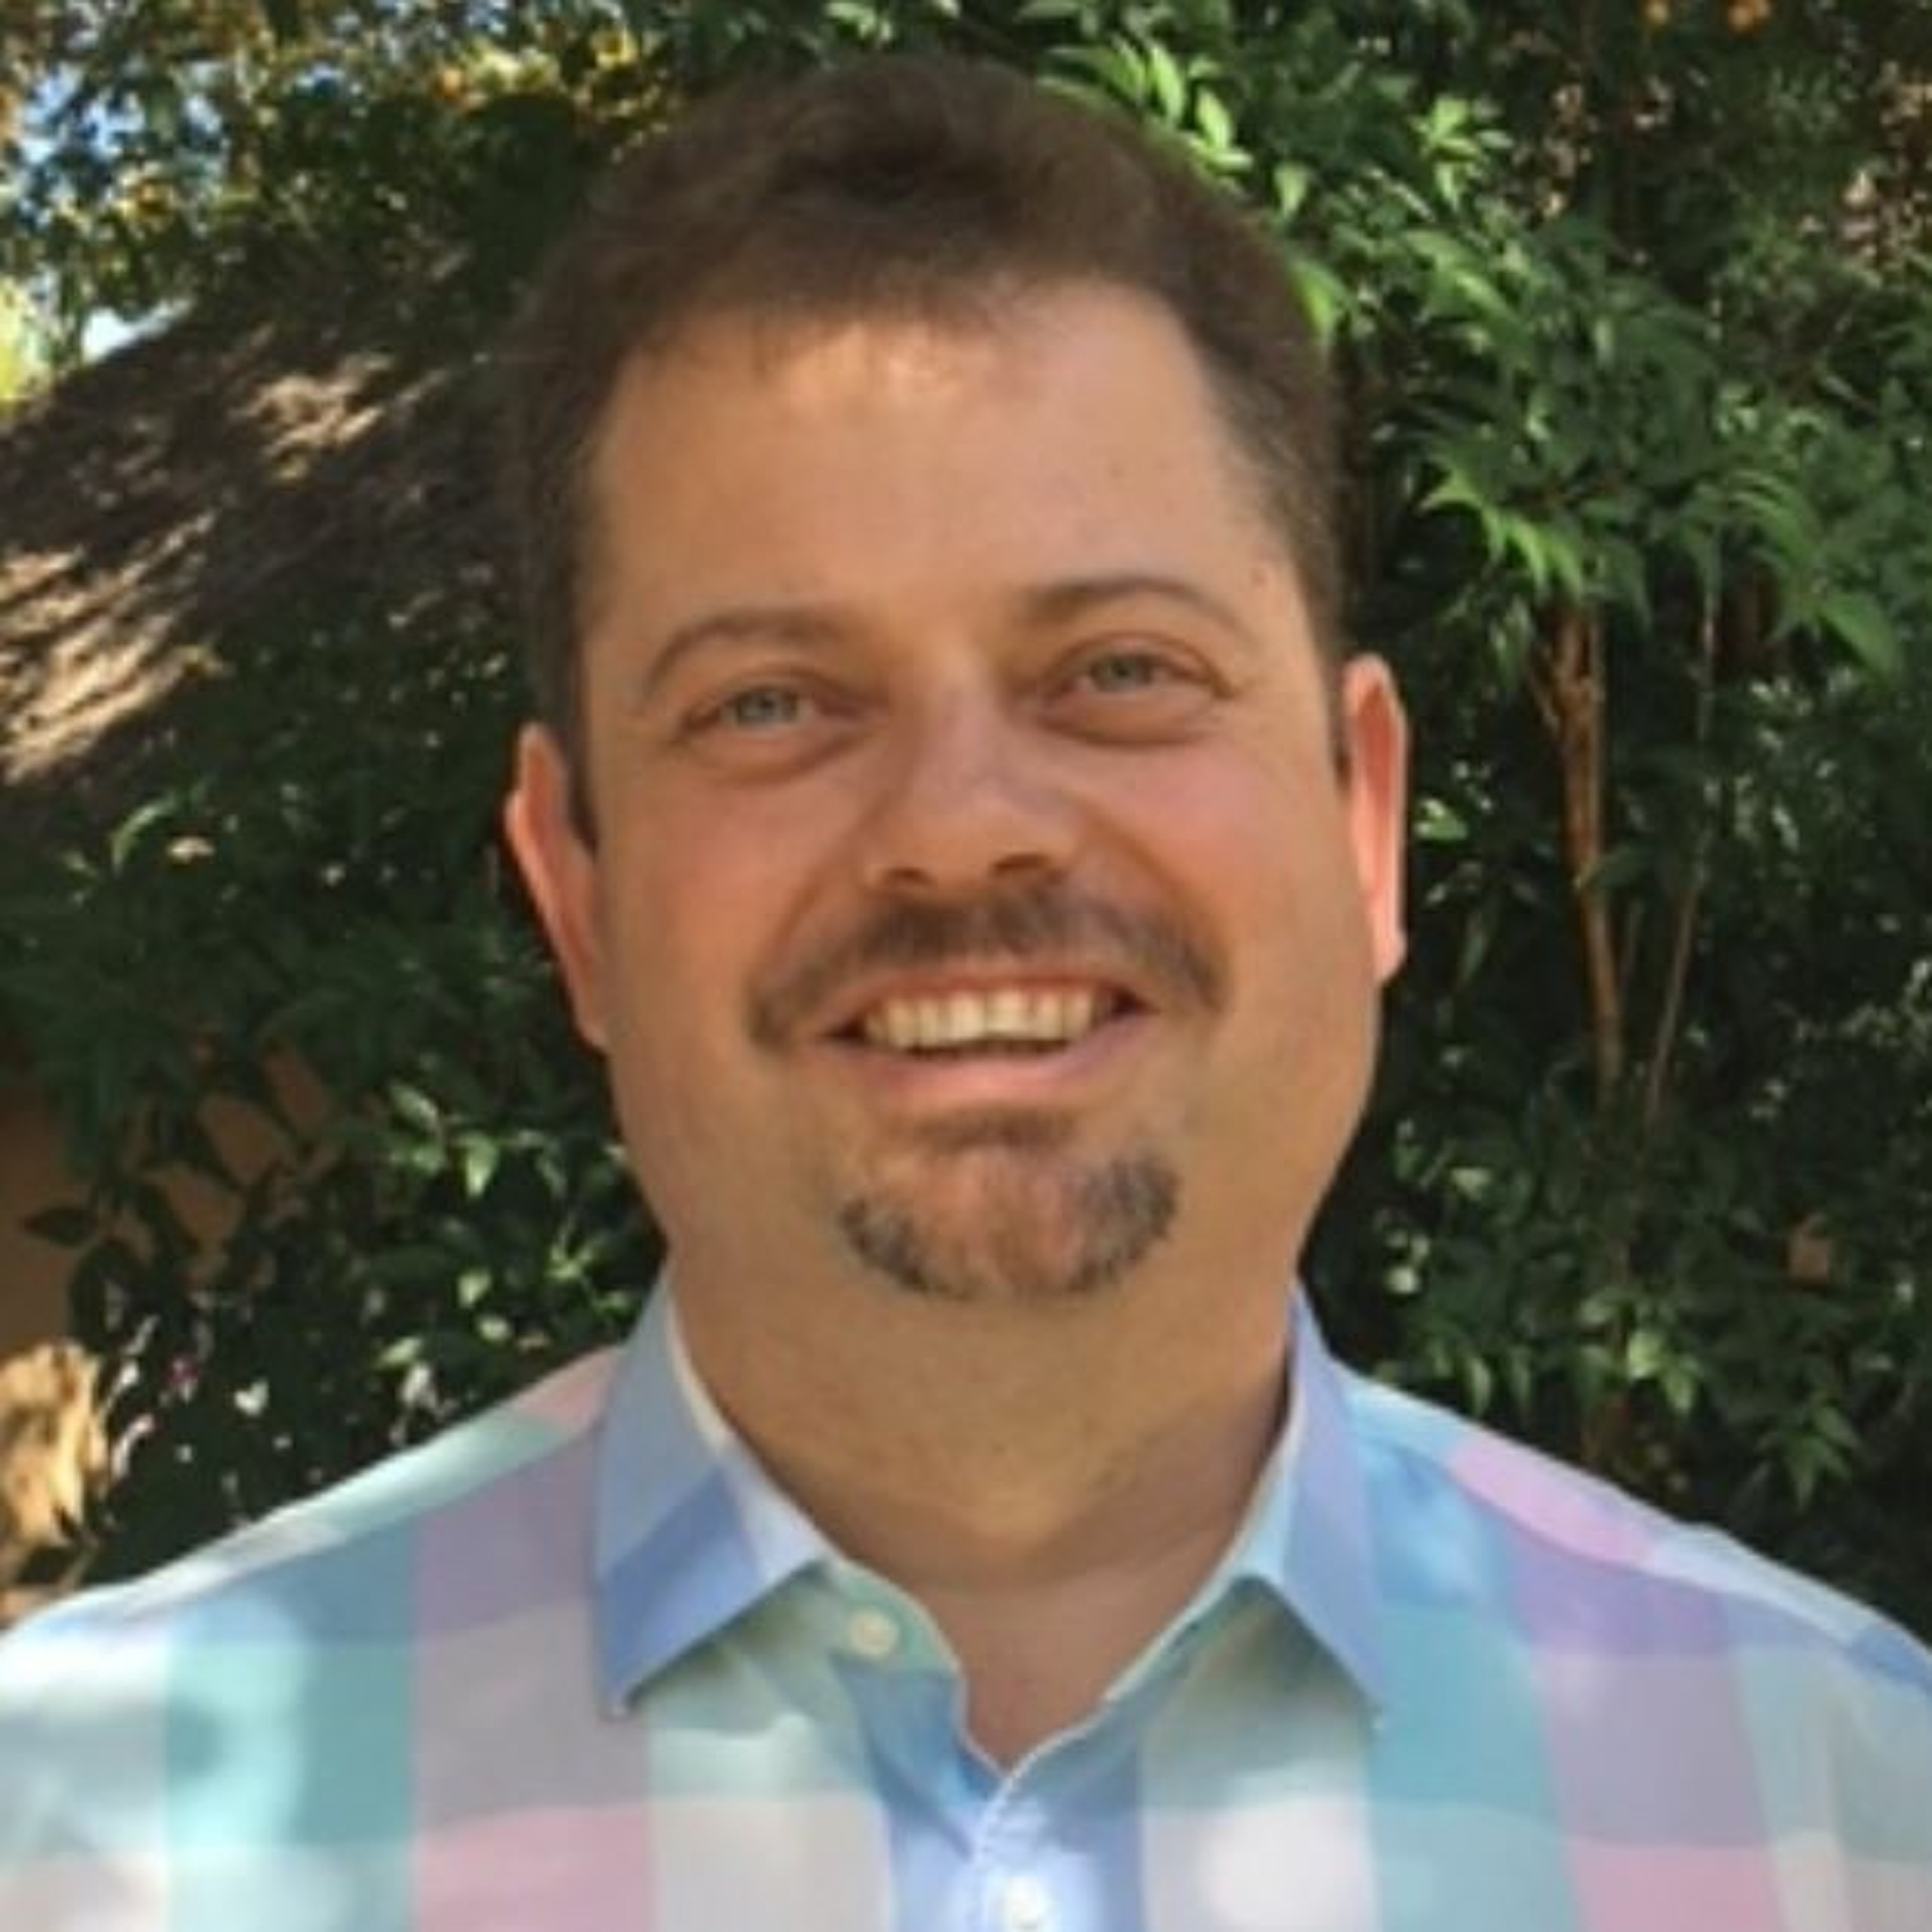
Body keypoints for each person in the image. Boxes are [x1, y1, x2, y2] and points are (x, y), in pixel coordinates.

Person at [2, 52, 1927, 1932]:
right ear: (574, 893)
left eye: (1122, 672)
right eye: (771, 704)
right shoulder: (79, 1840)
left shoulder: (1852, 1819)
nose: (960, 830)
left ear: (1363, 822)